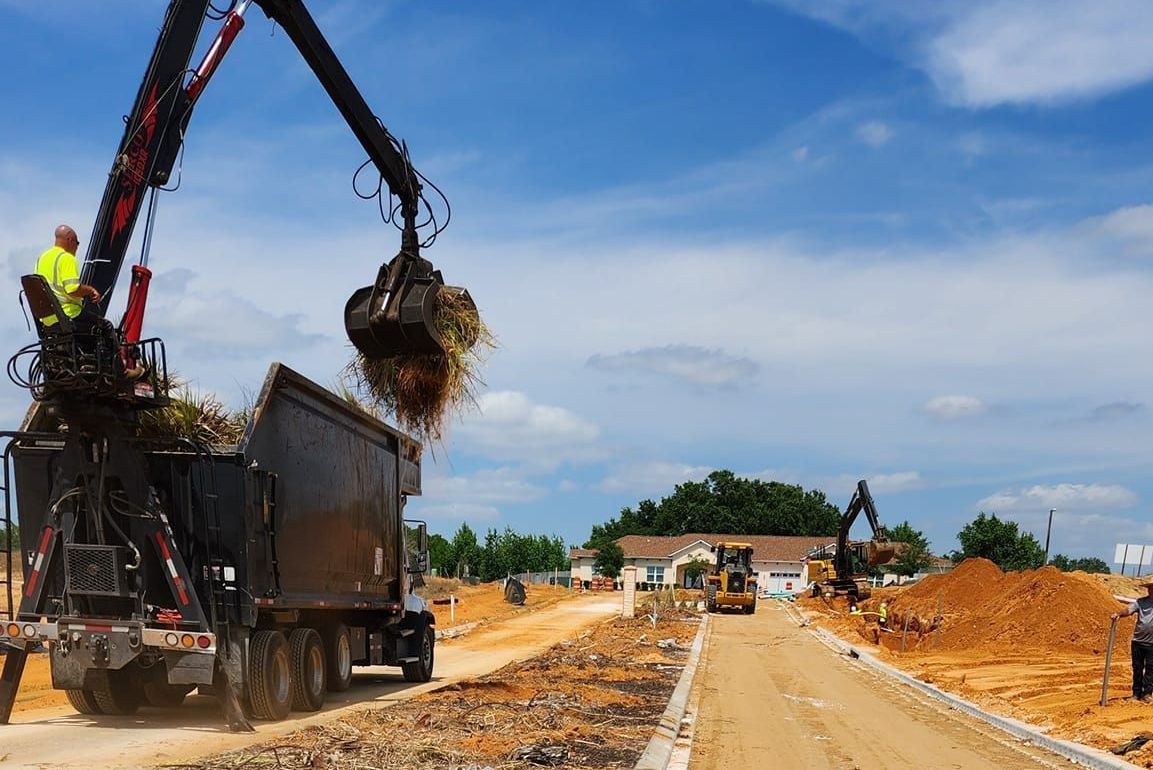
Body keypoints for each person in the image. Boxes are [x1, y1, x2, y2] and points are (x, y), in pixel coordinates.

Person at [34, 225, 103, 331]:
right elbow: (72, 289)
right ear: (70, 239)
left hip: (47, 321)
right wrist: (91, 290)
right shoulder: (67, 258)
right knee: (106, 327)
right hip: (68, 315)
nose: (77, 247)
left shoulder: (42, 258)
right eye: (77, 243)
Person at [1112, 580, 1153, 703]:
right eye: (1150, 589)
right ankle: (1136, 694)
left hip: (1152, 644)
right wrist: (1118, 614)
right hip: (1138, 641)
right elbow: (1128, 610)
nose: (1151, 591)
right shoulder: (1140, 602)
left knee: (1151, 669)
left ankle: (1147, 694)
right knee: (1137, 668)